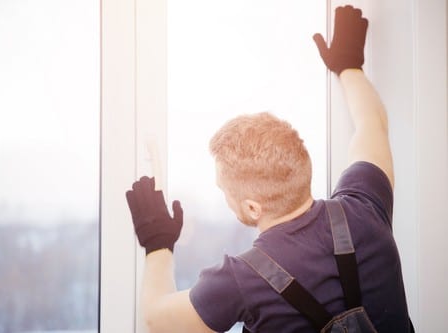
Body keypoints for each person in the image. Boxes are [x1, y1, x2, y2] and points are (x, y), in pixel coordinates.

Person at [126, 5, 412, 333]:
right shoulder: (364, 207)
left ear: (252, 206)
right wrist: (349, 66)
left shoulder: (240, 279)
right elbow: (372, 125)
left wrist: (157, 242)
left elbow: (156, 320)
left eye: (224, 190)